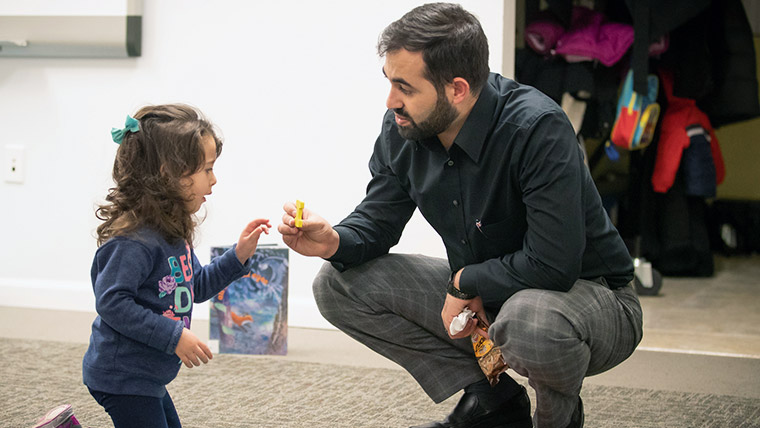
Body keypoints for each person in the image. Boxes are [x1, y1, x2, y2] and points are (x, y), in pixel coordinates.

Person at [279, 3, 643, 428]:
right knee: (337, 284)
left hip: (591, 297)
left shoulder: (536, 128)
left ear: (457, 89)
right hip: (489, 297)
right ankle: (495, 400)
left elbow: (554, 264)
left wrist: (466, 280)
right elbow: (378, 221)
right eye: (389, 82)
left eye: (405, 87)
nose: (391, 100)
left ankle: (557, 418)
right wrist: (335, 240)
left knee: (528, 320)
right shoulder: (403, 129)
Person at [82, 104, 271, 428]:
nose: (214, 179)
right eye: (207, 169)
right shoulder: (133, 242)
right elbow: (112, 303)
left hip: (147, 374)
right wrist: (175, 336)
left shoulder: (170, 233)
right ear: (169, 173)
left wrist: (238, 256)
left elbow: (193, 287)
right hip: (122, 376)